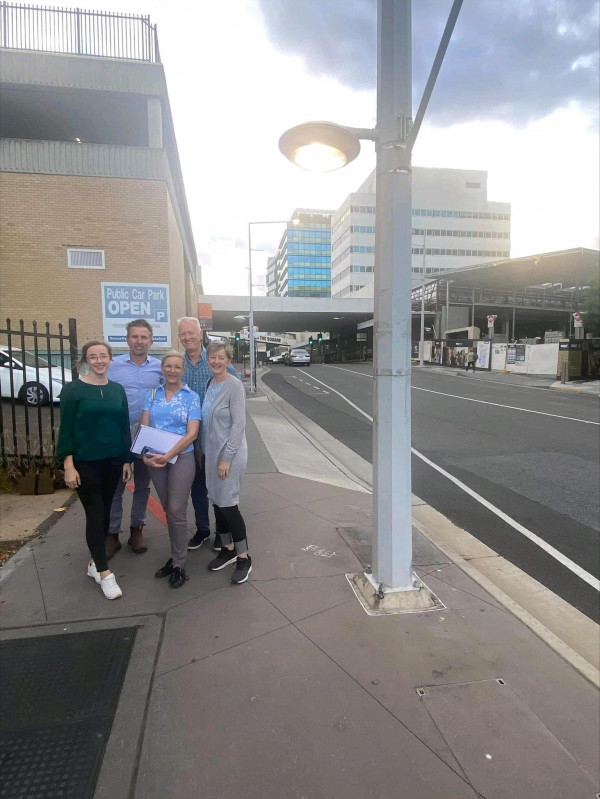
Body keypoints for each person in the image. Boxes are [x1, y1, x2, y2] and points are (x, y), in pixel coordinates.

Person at [57, 340, 132, 600]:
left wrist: (126, 460)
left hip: (113, 462)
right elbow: (66, 429)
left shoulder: (117, 390)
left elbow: (123, 427)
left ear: (110, 359)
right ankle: (104, 572)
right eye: (93, 356)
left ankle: (94, 563)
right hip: (85, 462)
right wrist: (68, 464)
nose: (99, 360)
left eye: (103, 356)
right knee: (95, 513)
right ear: (86, 360)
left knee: (105, 512)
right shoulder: (73, 390)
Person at [177, 316, 238, 552]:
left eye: (191, 333)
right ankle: (202, 529)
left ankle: (223, 533)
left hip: (216, 440)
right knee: (198, 489)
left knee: (219, 489)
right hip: (188, 441)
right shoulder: (178, 365)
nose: (187, 337)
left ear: (200, 333)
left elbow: (236, 405)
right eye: (183, 334)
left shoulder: (217, 361)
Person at [140, 351, 201, 589]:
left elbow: (192, 433)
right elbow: (144, 427)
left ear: (183, 370)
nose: (172, 370)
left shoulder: (191, 397)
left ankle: (179, 564)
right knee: (168, 509)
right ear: (162, 368)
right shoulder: (151, 394)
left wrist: (170, 454)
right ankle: (177, 554)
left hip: (181, 457)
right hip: (156, 458)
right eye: (168, 366)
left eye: (177, 367)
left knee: (176, 509)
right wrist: (145, 456)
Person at [106, 319, 162, 558]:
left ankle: (137, 529)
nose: (139, 341)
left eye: (144, 337)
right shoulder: (112, 366)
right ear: (127, 339)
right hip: (119, 434)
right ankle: (112, 533)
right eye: (135, 337)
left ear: (151, 340)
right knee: (116, 486)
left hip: (147, 435)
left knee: (142, 485)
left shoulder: (159, 367)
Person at [203, 341, 252, 585]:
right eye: (212, 357)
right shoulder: (209, 384)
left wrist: (226, 458)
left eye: (221, 357)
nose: (216, 361)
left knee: (229, 505)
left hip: (229, 456)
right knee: (216, 502)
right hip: (212, 454)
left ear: (228, 360)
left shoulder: (234, 386)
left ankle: (244, 557)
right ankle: (227, 548)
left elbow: (238, 425)